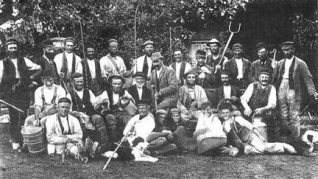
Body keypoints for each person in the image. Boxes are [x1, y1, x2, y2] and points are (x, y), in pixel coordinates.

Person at [0, 38, 42, 150]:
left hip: (23, 91)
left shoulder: (24, 60)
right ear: (7, 49)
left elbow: (38, 68)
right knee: (13, 117)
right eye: (11, 48)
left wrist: (31, 79)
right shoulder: (2, 63)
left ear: (17, 48)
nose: (13, 50)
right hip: (11, 92)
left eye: (15, 47)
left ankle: (25, 140)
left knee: (24, 115)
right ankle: (15, 141)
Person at [273, 41, 318, 141]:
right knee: (283, 114)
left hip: (293, 90)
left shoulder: (301, 63)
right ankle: (285, 137)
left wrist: (313, 92)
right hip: (281, 88)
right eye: (284, 50)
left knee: (293, 115)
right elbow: (274, 78)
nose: (286, 52)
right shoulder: (280, 63)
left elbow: (308, 79)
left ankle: (295, 138)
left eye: (288, 50)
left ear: (293, 50)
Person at [218, 100, 296, 155]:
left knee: (262, 148)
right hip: (242, 143)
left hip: (251, 137)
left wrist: (259, 136)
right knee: (247, 151)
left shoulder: (237, 119)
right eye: (223, 113)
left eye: (227, 112)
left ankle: (282, 146)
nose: (226, 115)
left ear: (231, 112)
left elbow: (251, 127)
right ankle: (249, 149)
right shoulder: (223, 125)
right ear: (221, 113)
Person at [67, 73, 110, 158]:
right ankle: (86, 148)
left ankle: (103, 145)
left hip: (90, 114)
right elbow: (69, 110)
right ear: (73, 82)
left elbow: (95, 104)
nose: (80, 83)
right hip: (78, 117)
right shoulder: (69, 94)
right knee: (82, 124)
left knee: (98, 118)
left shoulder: (88, 91)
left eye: (81, 81)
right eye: (77, 82)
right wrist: (78, 114)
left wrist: (100, 103)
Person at [45, 97, 88, 163]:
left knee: (74, 148)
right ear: (58, 107)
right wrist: (64, 139)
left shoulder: (74, 119)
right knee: (62, 148)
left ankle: (81, 156)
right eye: (62, 107)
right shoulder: (51, 119)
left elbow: (79, 134)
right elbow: (50, 137)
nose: (64, 109)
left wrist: (68, 138)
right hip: (57, 144)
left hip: (71, 143)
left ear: (69, 108)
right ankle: (81, 153)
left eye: (67, 107)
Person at [240, 68, 278, 141]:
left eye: (266, 77)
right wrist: (247, 107)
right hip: (251, 113)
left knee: (268, 127)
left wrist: (263, 109)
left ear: (269, 78)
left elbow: (272, 104)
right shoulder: (252, 85)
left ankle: (267, 139)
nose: (264, 79)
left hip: (265, 114)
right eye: (262, 77)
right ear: (259, 78)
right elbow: (243, 98)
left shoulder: (271, 88)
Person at [104, 75, 137, 144]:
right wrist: (103, 103)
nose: (117, 86)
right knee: (111, 120)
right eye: (115, 84)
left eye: (119, 84)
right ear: (111, 84)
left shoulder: (124, 92)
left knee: (129, 120)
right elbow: (97, 103)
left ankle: (127, 141)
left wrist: (128, 99)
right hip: (110, 113)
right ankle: (113, 142)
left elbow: (133, 102)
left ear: (122, 84)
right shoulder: (106, 92)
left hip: (121, 112)